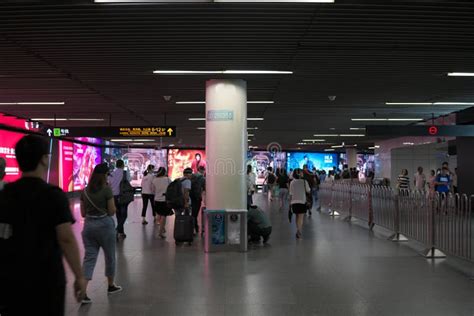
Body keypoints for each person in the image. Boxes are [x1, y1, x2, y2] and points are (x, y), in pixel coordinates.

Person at [0, 135, 86, 315]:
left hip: (11, 276)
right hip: (46, 277)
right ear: (44, 159)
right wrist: (79, 275)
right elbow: (66, 239)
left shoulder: (6, 193)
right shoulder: (53, 195)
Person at [80, 163, 122, 304]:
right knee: (110, 256)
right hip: (104, 226)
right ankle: (111, 286)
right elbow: (111, 211)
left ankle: (83, 292)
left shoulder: (85, 191)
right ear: (104, 175)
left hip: (89, 227)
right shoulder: (106, 190)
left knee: (89, 258)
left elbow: (83, 213)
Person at [108, 159, 131, 240]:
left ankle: (121, 232)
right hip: (123, 196)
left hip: (114, 197)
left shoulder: (111, 174)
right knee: (124, 214)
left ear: (116, 165)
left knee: (118, 214)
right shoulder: (125, 173)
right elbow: (129, 181)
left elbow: (109, 184)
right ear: (122, 165)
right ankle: (118, 230)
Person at [289, 168, 311, 239]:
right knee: (301, 217)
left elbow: (291, 193)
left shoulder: (292, 182)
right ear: (301, 174)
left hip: (294, 202)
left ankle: (298, 229)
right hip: (302, 201)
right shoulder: (304, 182)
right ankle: (299, 230)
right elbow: (308, 190)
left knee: (296, 216)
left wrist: (290, 203)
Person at [152, 167, 172, 238]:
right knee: (164, 216)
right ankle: (160, 232)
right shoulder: (167, 179)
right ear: (165, 172)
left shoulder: (154, 180)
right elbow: (171, 188)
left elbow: (153, 191)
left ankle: (162, 228)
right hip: (165, 200)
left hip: (156, 200)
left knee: (159, 214)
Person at [190, 166, 206, 234]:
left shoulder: (192, 176)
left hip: (191, 197)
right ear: (203, 170)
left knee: (192, 213)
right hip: (197, 197)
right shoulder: (202, 178)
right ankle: (194, 228)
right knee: (195, 214)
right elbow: (205, 188)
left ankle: (194, 227)